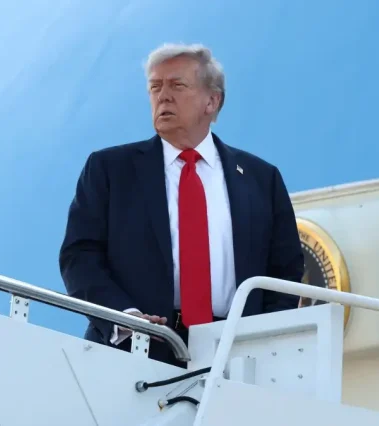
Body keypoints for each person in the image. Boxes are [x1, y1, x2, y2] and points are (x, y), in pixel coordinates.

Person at [59, 43, 304, 367]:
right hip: (134, 349)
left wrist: (261, 340)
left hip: (235, 356)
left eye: (177, 85)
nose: (163, 96)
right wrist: (125, 318)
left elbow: (284, 272)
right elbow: (79, 257)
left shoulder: (261, 179)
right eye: (155, 87)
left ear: (211, 101)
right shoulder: (110, 170)